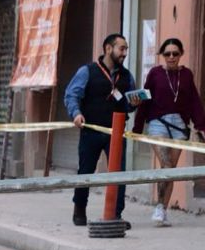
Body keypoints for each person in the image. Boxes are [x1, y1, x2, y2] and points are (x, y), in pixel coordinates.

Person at [65, 33, 136, 227]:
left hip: (116, 132)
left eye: (126, 49)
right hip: (91, 131)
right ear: (108, 48)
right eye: (121, 48)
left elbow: (128, 104)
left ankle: (115, 214)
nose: (124, 53)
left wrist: (134, 103)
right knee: (85, 172)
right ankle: (79, 208)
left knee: (118, 174)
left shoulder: (127, 76)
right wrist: (76, 114)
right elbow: (71, 95)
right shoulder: (87, 71)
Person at [137, 37, 205, 226]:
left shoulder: (187, 75)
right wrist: (137, 128)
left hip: (179, 127)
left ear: (181, 54)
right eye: (167, 53)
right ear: (162, 55)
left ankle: (162, 209)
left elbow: (195, 102)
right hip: (157, 123)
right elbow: (145, 100)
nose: (171, 57)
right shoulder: (155, 74)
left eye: (175, 53)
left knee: (171, 170)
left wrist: (201, 126)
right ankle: (159, 209)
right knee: (166, 165)